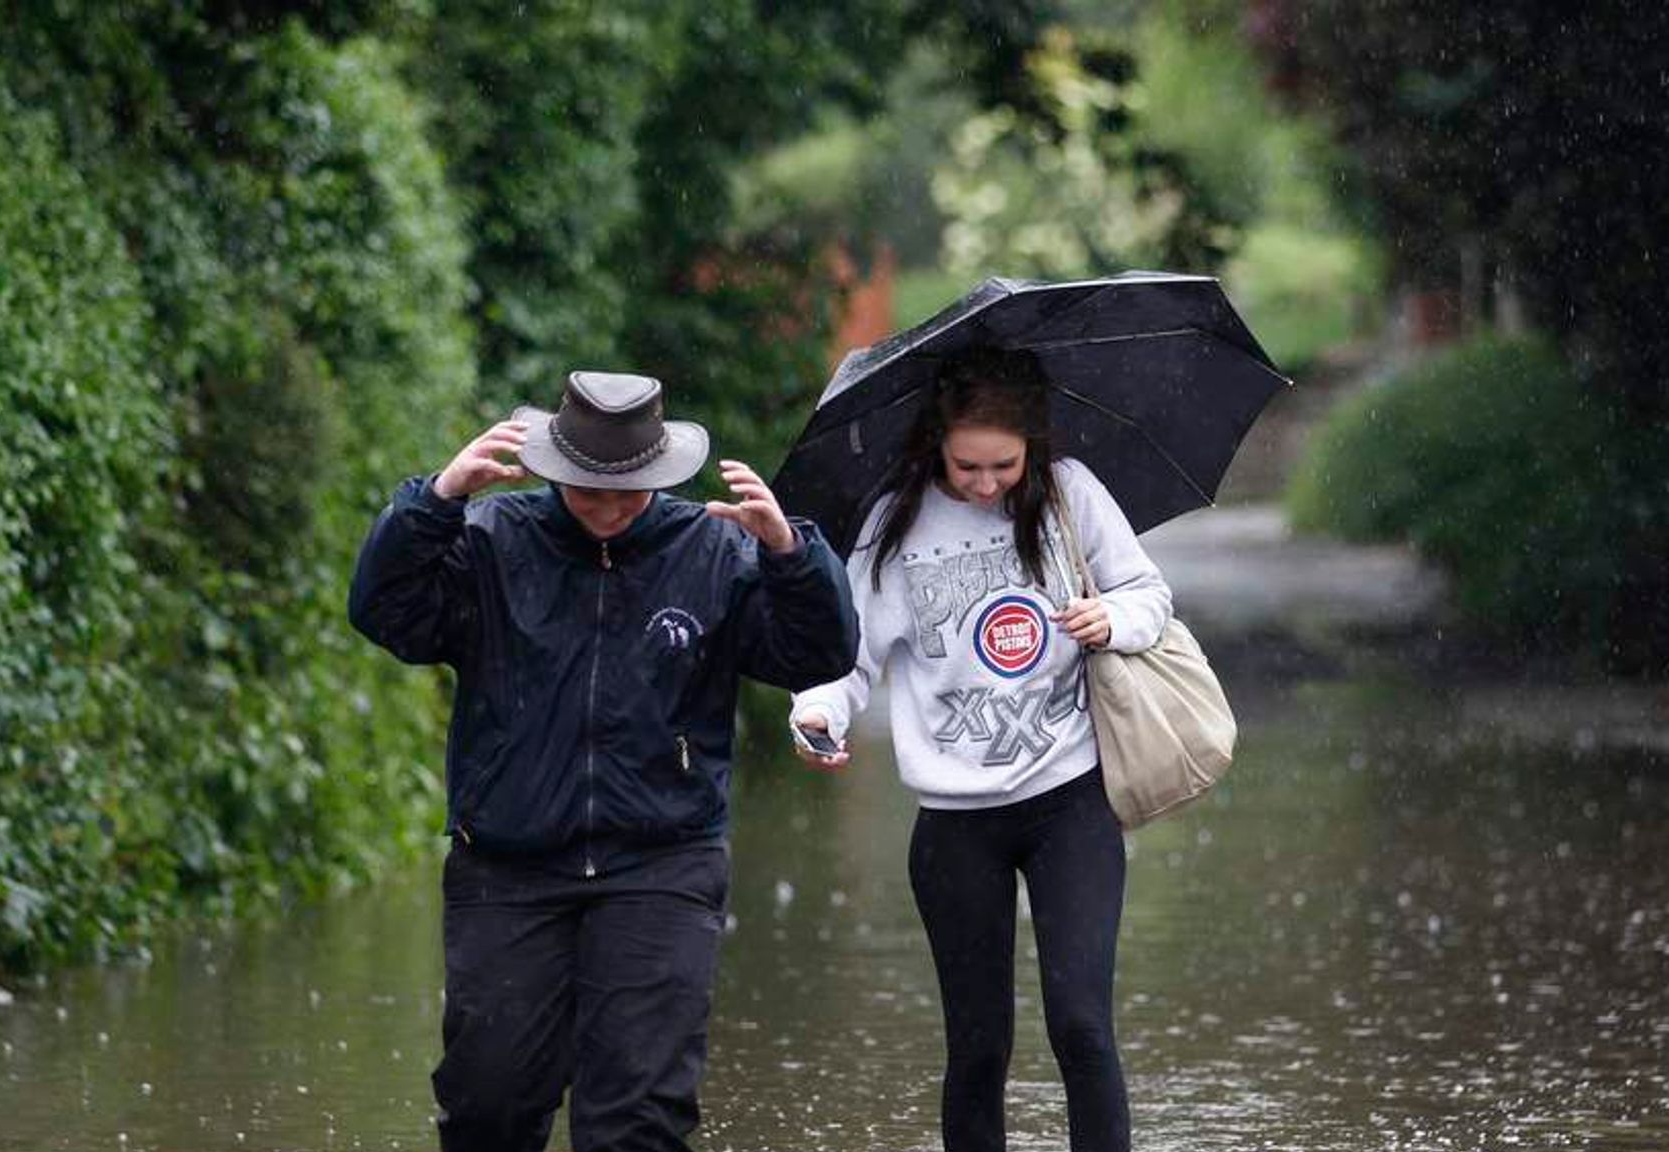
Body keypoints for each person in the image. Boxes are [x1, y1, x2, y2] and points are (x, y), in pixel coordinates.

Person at [348, 370, 858, 1152]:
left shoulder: (715, 550)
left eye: (628, 493)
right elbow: (386, 612)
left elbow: (817, 651)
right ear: (556, 473)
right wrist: (436, 501)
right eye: (590, 493)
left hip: (663, 862)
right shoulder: (490, 540)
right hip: (508, 867)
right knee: (490, 1107)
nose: (610, 510)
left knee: (637, 1119)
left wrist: (790, 553)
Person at [788, 347, 1172, 1152]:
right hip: (955, 820)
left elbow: (1148, 594)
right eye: (968, 465)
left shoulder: (1071, 494)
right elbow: (847, 660)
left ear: (1031, 444)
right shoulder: (894, 523)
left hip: (1071, 798)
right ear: (936, 442)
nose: (987, 483)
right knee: (978, 1047)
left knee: (1082, 1028)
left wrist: (1114, 622)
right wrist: (816, 713)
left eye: (1004, 464)